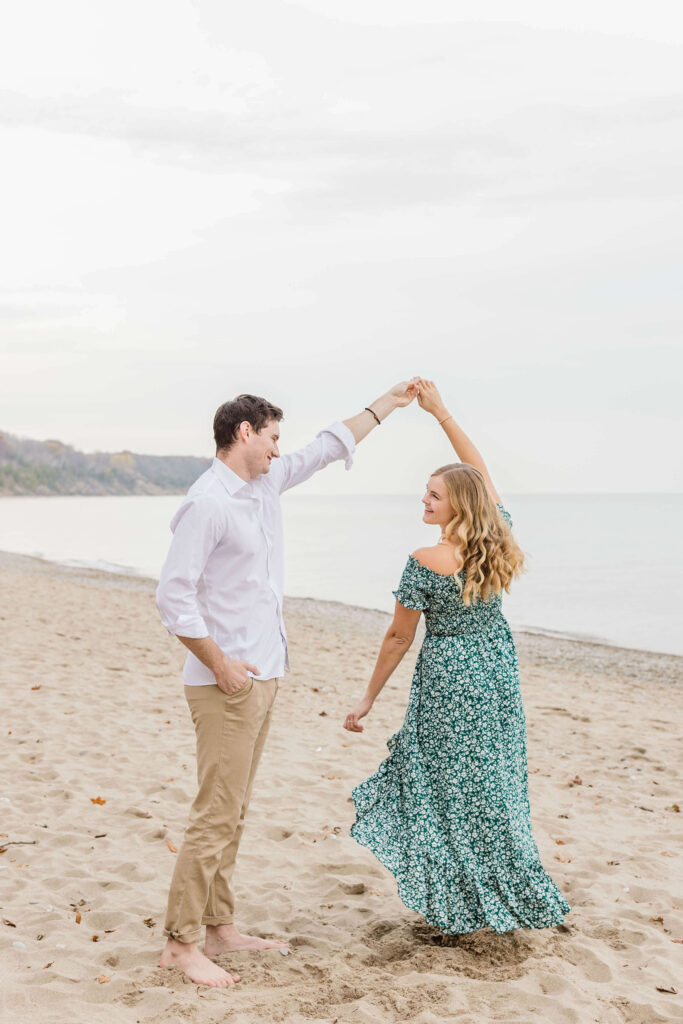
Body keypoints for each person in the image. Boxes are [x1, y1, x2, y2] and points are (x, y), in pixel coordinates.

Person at [155, 380, 419, 987]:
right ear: (244, 433)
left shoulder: (265, 483)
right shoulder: (208, 502)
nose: (280, 450)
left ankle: (219, 927)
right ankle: (181, 942)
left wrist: (387, 404)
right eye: (273, 438)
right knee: (214, 812)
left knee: (236, 809)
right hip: (223, 684)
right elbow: (174, 598)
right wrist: (220, 664)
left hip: (265, 672)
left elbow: (329, 446)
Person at [344, 379, 570, 935]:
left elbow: (398, 639)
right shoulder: (498, 538)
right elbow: (480, 471)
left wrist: (368, 697)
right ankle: (499, 894)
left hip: (447, 676)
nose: (424, 500)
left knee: (441, 785)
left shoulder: (425, 559)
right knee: (494, 783)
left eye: (434, 495)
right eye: (425, 492)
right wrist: (441, 413)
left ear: (457, 505)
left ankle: (459, 901)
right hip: (495, 669)